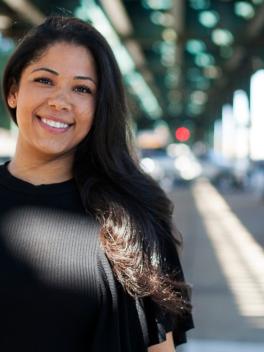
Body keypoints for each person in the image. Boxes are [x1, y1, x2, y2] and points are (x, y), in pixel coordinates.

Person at [0, 16, 194, 351]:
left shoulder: (135, 222)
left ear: (99, 107)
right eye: (45, 80)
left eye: (81, 88)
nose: (60, 101)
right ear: (14, 91)